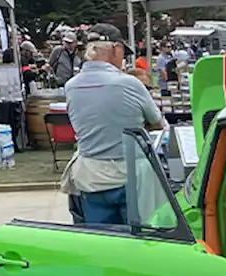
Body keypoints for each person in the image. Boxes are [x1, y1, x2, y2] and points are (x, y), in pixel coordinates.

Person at [60, 26, 163, 226]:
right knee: (139, 242)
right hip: (131, 175)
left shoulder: (71, 86)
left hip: (91, 175)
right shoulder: (129, 84)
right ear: (116, 49)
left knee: (100, 241)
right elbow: (158, 124)